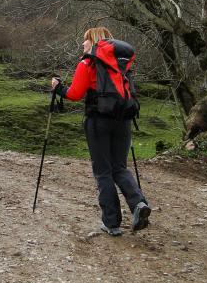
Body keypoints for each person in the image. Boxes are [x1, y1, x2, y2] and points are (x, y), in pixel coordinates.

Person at [52, 26, 151, 236]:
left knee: (103, 172)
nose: (83, 45)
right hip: (123, 121)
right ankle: (139, 204)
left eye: (85, 40)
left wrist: (58, 88)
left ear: (94, 41)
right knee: (119, 168)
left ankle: (112, 222)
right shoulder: (122, 66)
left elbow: (76, 94)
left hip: (98, 121)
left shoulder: (88, 63)